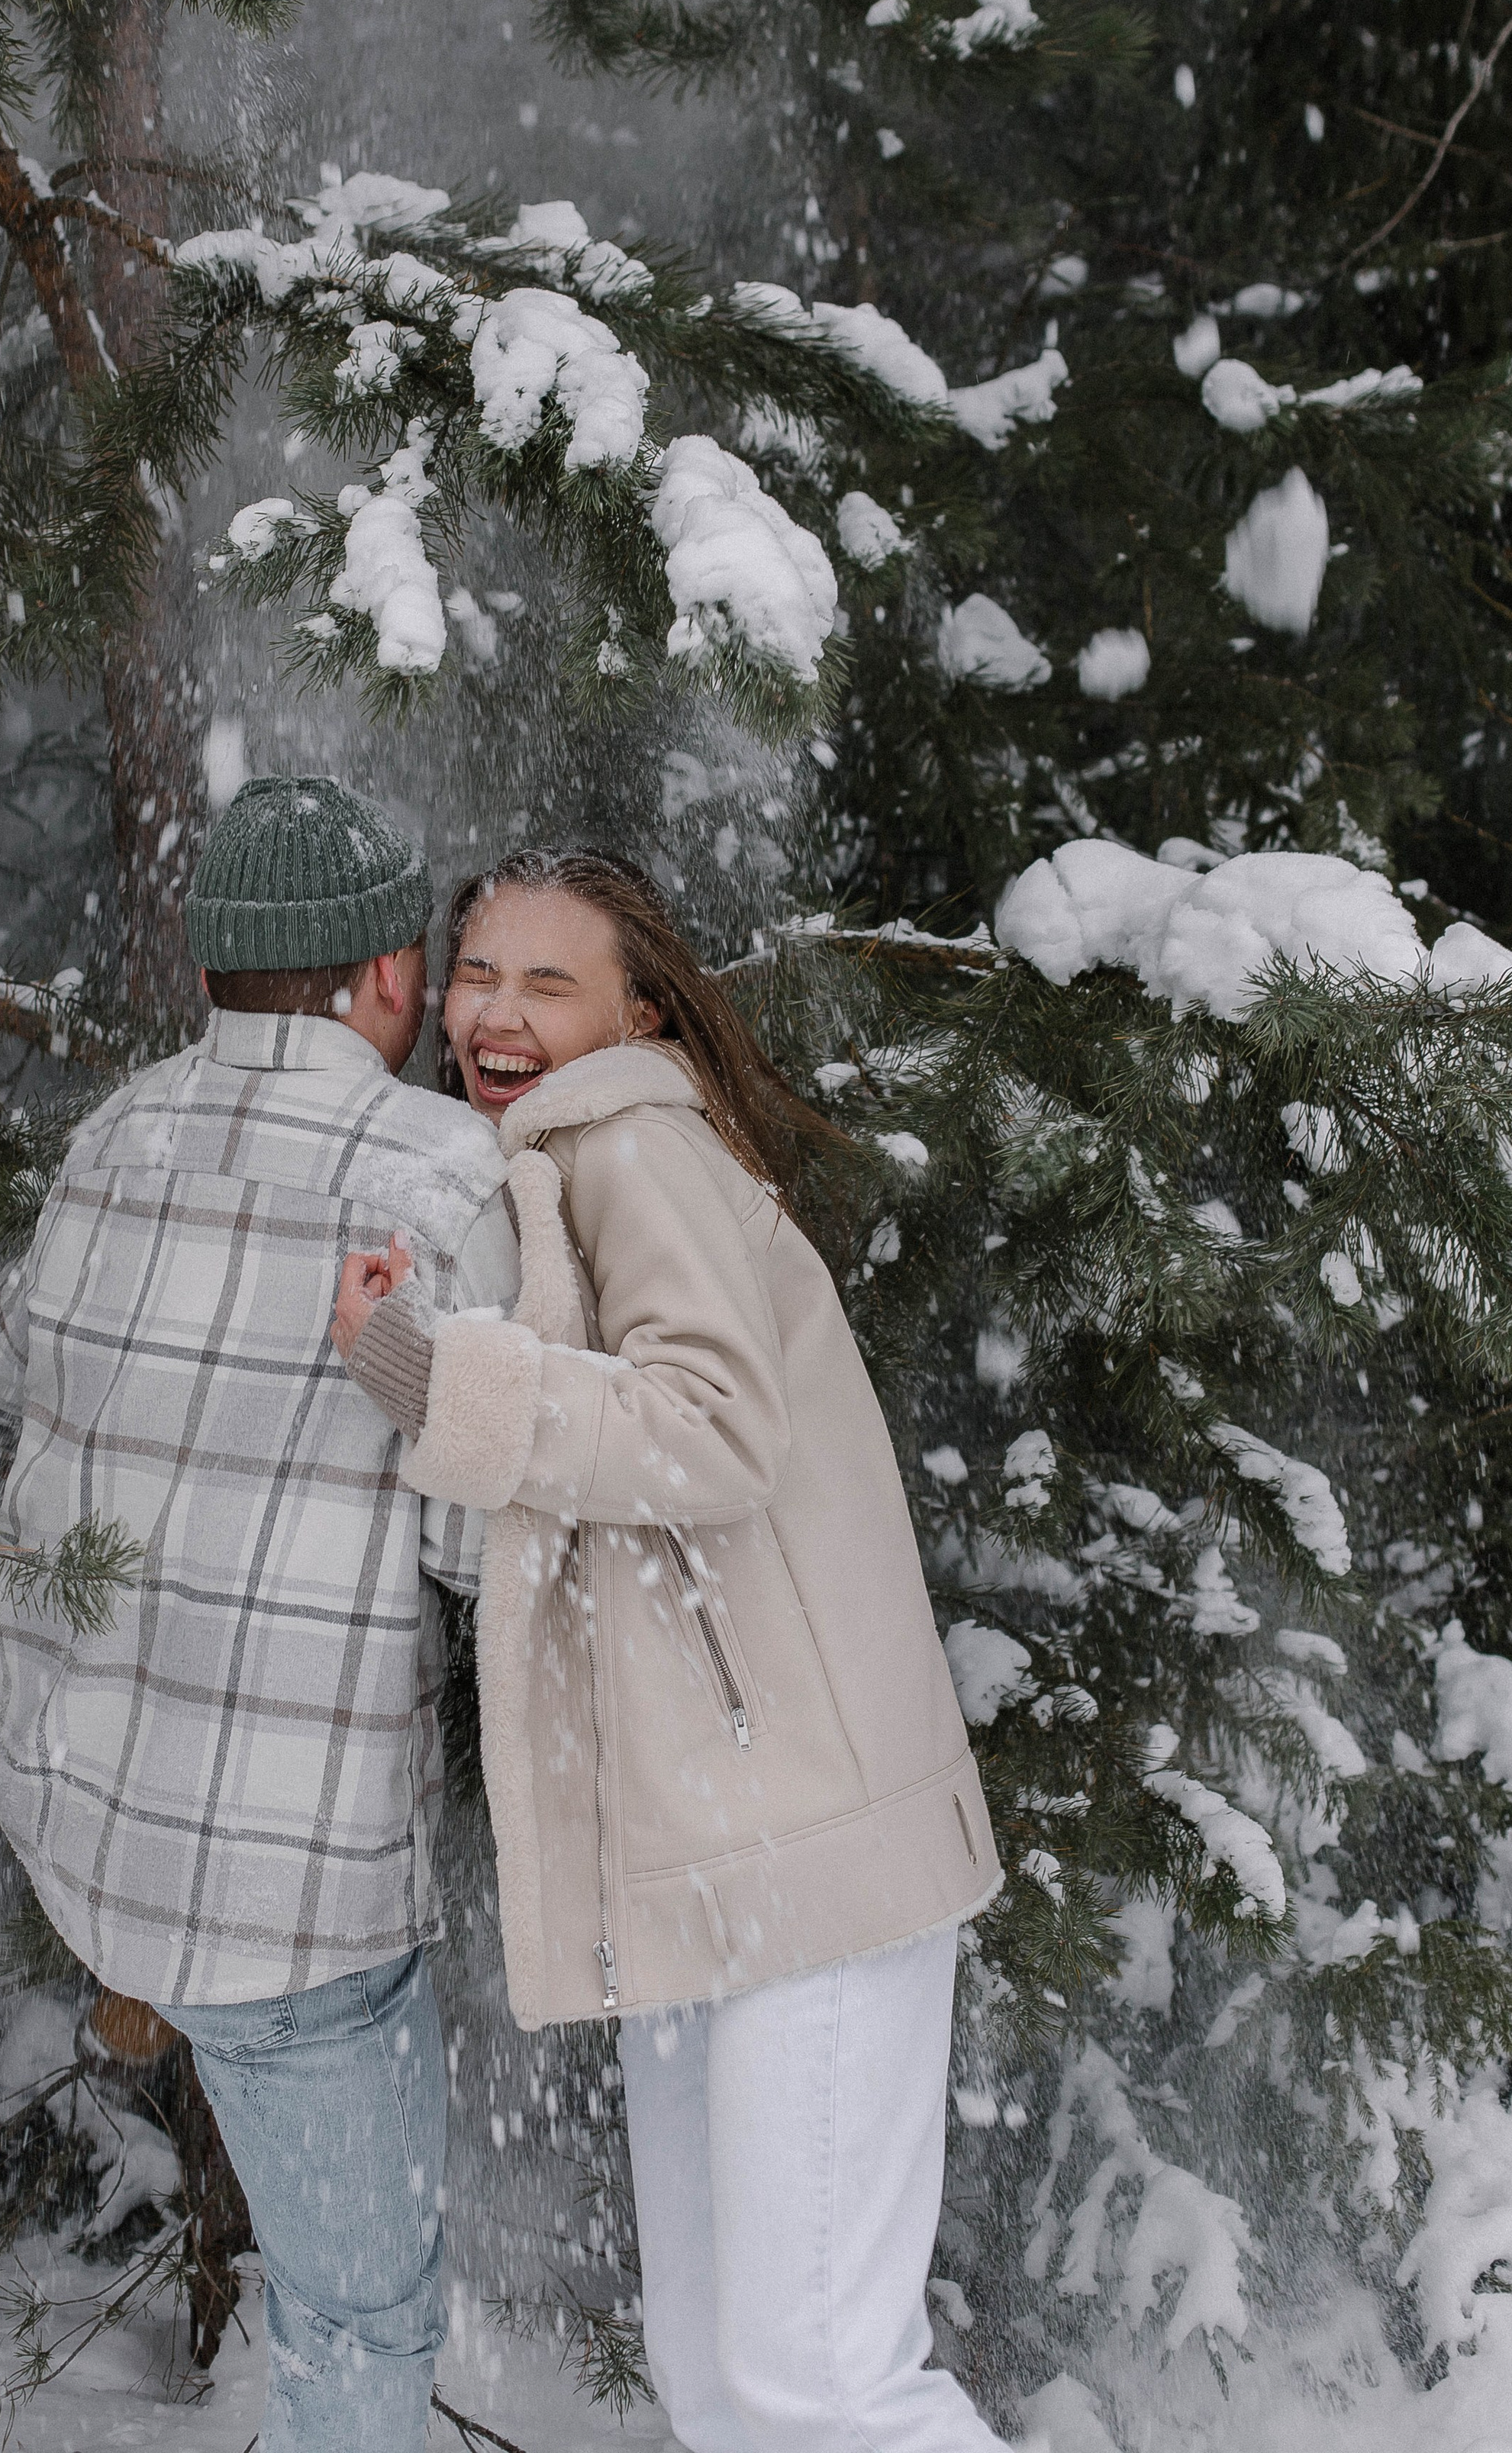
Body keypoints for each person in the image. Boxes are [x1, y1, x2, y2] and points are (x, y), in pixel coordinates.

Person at [334, 849, 1009, 2453]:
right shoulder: (556, 1162)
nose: (493, 1013)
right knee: (725, 2390)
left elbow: (707, 1434)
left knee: (821, 2384)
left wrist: (436, 1383)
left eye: (544, 983)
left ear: (638, 1009)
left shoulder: (632, 1139)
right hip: (706, 1858)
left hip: (796, 1854)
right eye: (476, 972)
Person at [0, 776, 517, 2453]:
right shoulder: (441, 1170)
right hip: (280, 1894)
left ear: (211, 973)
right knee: (362, 2322)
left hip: (79, 1816)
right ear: (390, 979)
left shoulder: (113, 1128)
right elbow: (484, 1542)